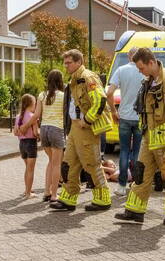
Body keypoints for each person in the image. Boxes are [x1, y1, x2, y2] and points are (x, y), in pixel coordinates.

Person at [115, 47, 165, 226]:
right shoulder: (149, 80)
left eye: (141, 68)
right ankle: (134, 211)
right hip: (149, 137)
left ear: (151, 63)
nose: (140, 72)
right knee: (140, 173)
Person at [49, 50, 113, 212]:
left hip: (87, 129)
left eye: (69, 62)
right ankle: (69, 199)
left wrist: (87, 120)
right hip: (75, 128)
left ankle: (103, 199)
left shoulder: (88, 77)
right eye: (65, 62)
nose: (66, 65)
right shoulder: (75, 79)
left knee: (92, 164)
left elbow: (100, 99)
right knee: (68, 164)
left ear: (78, 62)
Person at [106, 47, 144, 195]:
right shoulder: (144, 72)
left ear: (129, 57)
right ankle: (136, 183)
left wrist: (113, 111)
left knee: (124, 151)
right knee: (137, 152)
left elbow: (109, 92)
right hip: (140, 118)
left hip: (124, 117)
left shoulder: (121, 70)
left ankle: (121, 186)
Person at [36, 69, 66, 202]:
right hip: (56, 129)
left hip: (44, 130)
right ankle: (54, 195)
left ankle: (46, 192)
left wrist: (23, 126)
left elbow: (37, 115)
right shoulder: (63, 96)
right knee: (56, 164)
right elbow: (67, 115)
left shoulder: (42, 95)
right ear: (60, 80)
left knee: (51, 162)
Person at [13, 93, 39, 198]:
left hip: (22, 144)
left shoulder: (18, 116)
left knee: (27, 168)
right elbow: (35, 133)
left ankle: (26, 190)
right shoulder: (33, 117)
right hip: (31, 144)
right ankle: (28, 193)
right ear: (31, 104)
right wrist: (40, 135)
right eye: (35, 104)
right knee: (30, 170)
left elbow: (15, 132)